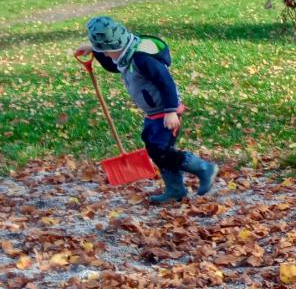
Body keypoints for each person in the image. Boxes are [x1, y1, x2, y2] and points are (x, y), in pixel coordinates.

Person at [73, 16, 217, 204]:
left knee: (160, 149)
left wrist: (171, 111)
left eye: (106, 51)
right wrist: (95, 51)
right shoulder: (125, 54)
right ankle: (175, 190)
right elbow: (112, 65)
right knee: (155, 148)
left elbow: (166, 82)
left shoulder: (142, 58)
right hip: (154, 113)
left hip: (166, 112)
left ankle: (203, 168)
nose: (106, 55)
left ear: (116, 45)